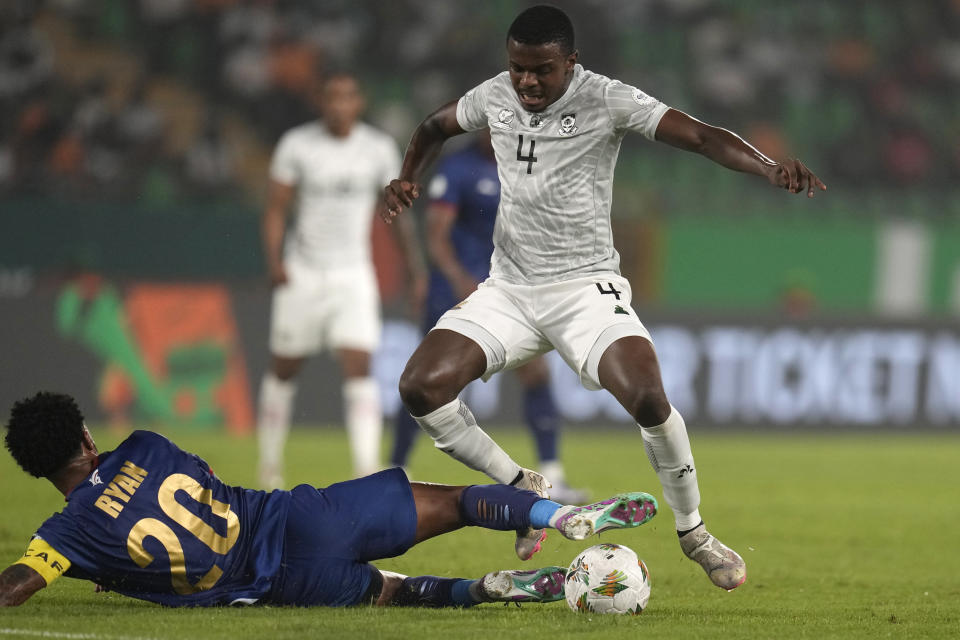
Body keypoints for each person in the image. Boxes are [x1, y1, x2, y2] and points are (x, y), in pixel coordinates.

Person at [383, 5, 826, 589]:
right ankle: (520, 485)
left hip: (584, 288)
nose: (527, 83)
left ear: (571, 62)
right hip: (509, 290)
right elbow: (436, 126)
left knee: (646, 395)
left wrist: (768, 169)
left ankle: (693, 531)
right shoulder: (494, 95)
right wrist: (407, 173)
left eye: (541, 70)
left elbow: (697, 135)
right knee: (420, 387)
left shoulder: (606, 98)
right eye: (518, 69)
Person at [0, 391, 658, 608]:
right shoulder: (144, 445)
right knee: (459, 500)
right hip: (300, 516)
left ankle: (489, 589)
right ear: (88, 435)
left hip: (284, 585)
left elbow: (20, 584)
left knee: (393, 595)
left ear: (34, 469)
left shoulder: (70, 534)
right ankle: (560, 514)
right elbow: (198, 478)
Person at [390, 128, 588, 505]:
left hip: (507, 291)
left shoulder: (529, 169)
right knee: (430, 382)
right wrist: (459, 279)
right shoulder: (459, 167)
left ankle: (554, 476)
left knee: (536, 373)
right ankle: (397, 469)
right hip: (456, 290)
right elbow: (436, 236)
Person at [259, 70, 426, 488]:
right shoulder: (297, 144)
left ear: (359, 102)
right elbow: (276, 207)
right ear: (321, 102)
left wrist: (414, 268)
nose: (338, 104)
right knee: (284, 367)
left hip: (352, 272)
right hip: (303, 270)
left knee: (360, 366)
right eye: (331, 97)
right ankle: (269, 466)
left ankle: (366, 469)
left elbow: (396, 216)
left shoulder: (377, 148)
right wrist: (275, 260)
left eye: (347, 97)